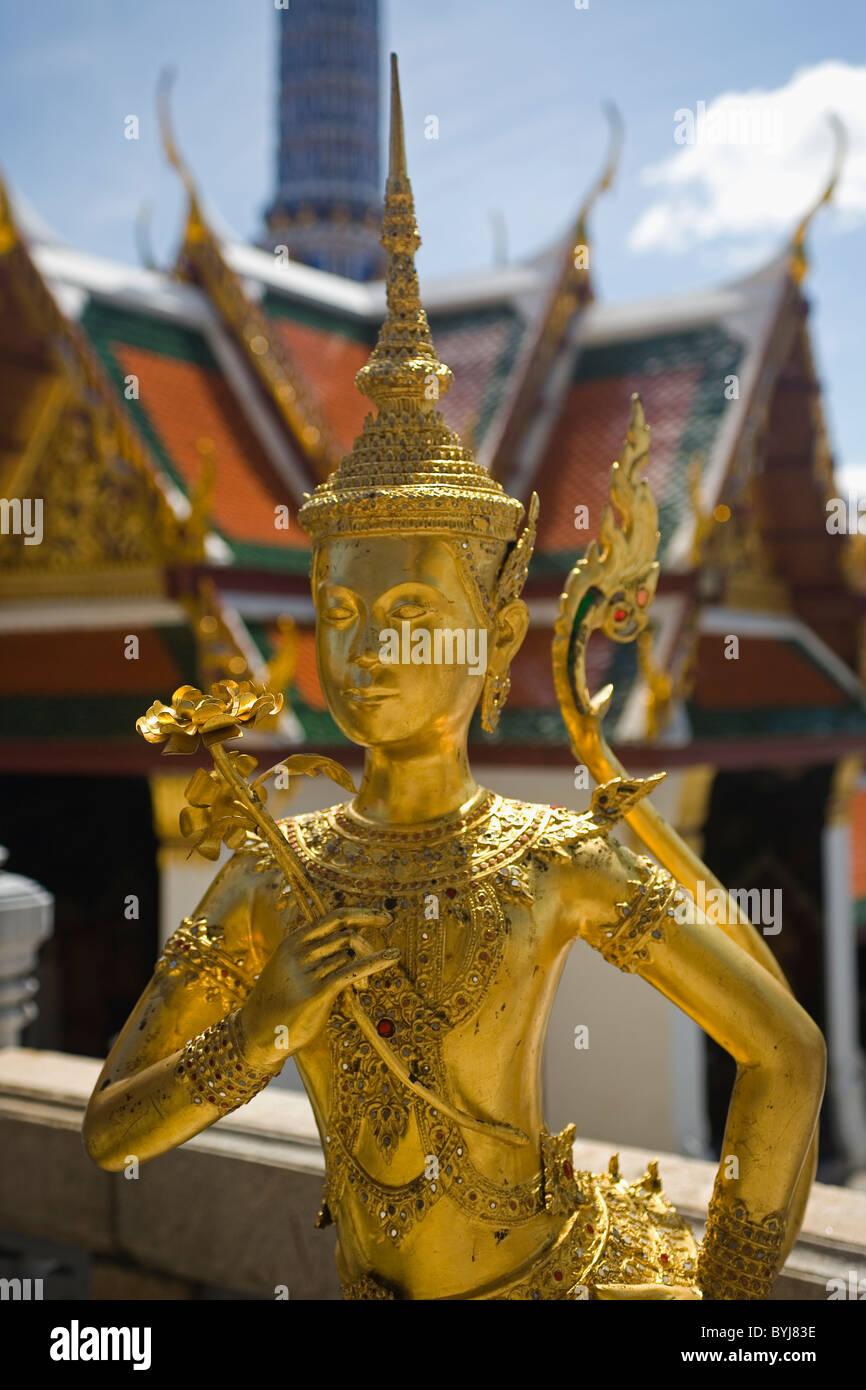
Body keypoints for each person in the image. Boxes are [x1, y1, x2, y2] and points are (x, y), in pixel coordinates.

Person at [83, 56, 825, 1302]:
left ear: (490, 632)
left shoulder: (554, 859)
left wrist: (728, 1303)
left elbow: (786, 1055)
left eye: (412, 611)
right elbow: (111, 1129)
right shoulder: (275, 871)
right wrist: (262, 1027)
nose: (369, 648)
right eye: (338, 612)